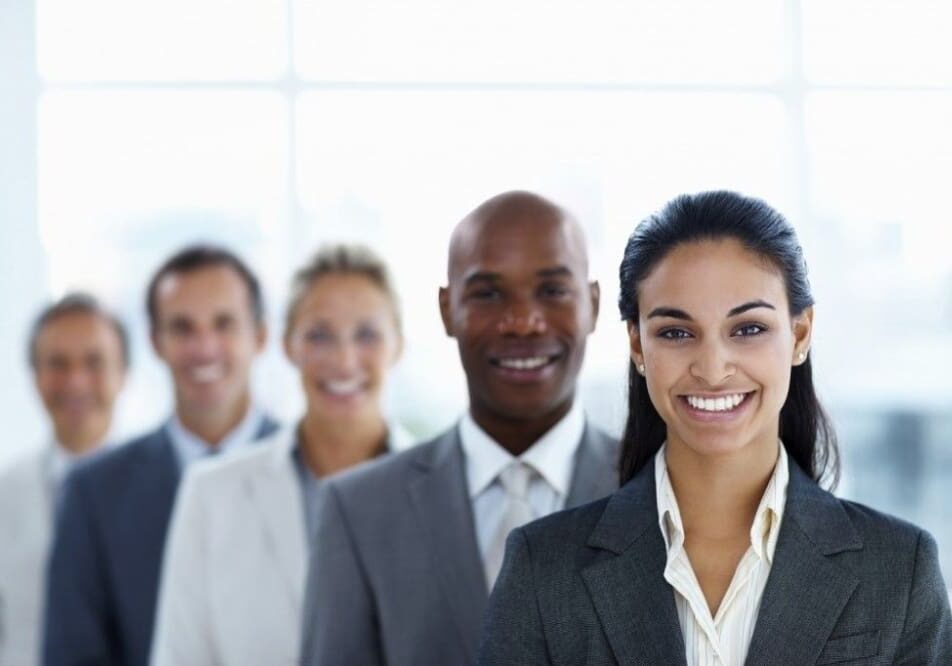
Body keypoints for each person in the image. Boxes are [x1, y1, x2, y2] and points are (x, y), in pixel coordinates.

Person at [480, 190, 952, 665]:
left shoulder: (898, 570)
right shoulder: (542, 570)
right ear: (638, 346)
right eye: (676, 332)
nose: (711, 368)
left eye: (748, 329)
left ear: (800, 334)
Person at [299, 191, 619, 666]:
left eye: (552, 291)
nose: (522, 322)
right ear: (448, 310)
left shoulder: (655, 485)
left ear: (592, 304)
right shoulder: (359, 511)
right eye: (488, 294)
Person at [150, 244, 412, 666]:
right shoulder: (211, 492)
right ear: (288, 345)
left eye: (366, 334)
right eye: (320, 335)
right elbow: (180, 656)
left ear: (398, 345)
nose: (344, 362)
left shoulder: (444, 490)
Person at [43, 245, 280, 666]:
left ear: (259, 336)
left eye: (224, 324)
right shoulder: (94, 493)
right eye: (182, 328)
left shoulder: (316, 472)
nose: (204, 347)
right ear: (156, 342)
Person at [0, 294, 128, 666]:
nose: (75, 381)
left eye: (94, 362)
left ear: (122, 373)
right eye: (57, 364)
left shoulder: (163, 487)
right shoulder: (6, 492)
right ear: (35, 376)